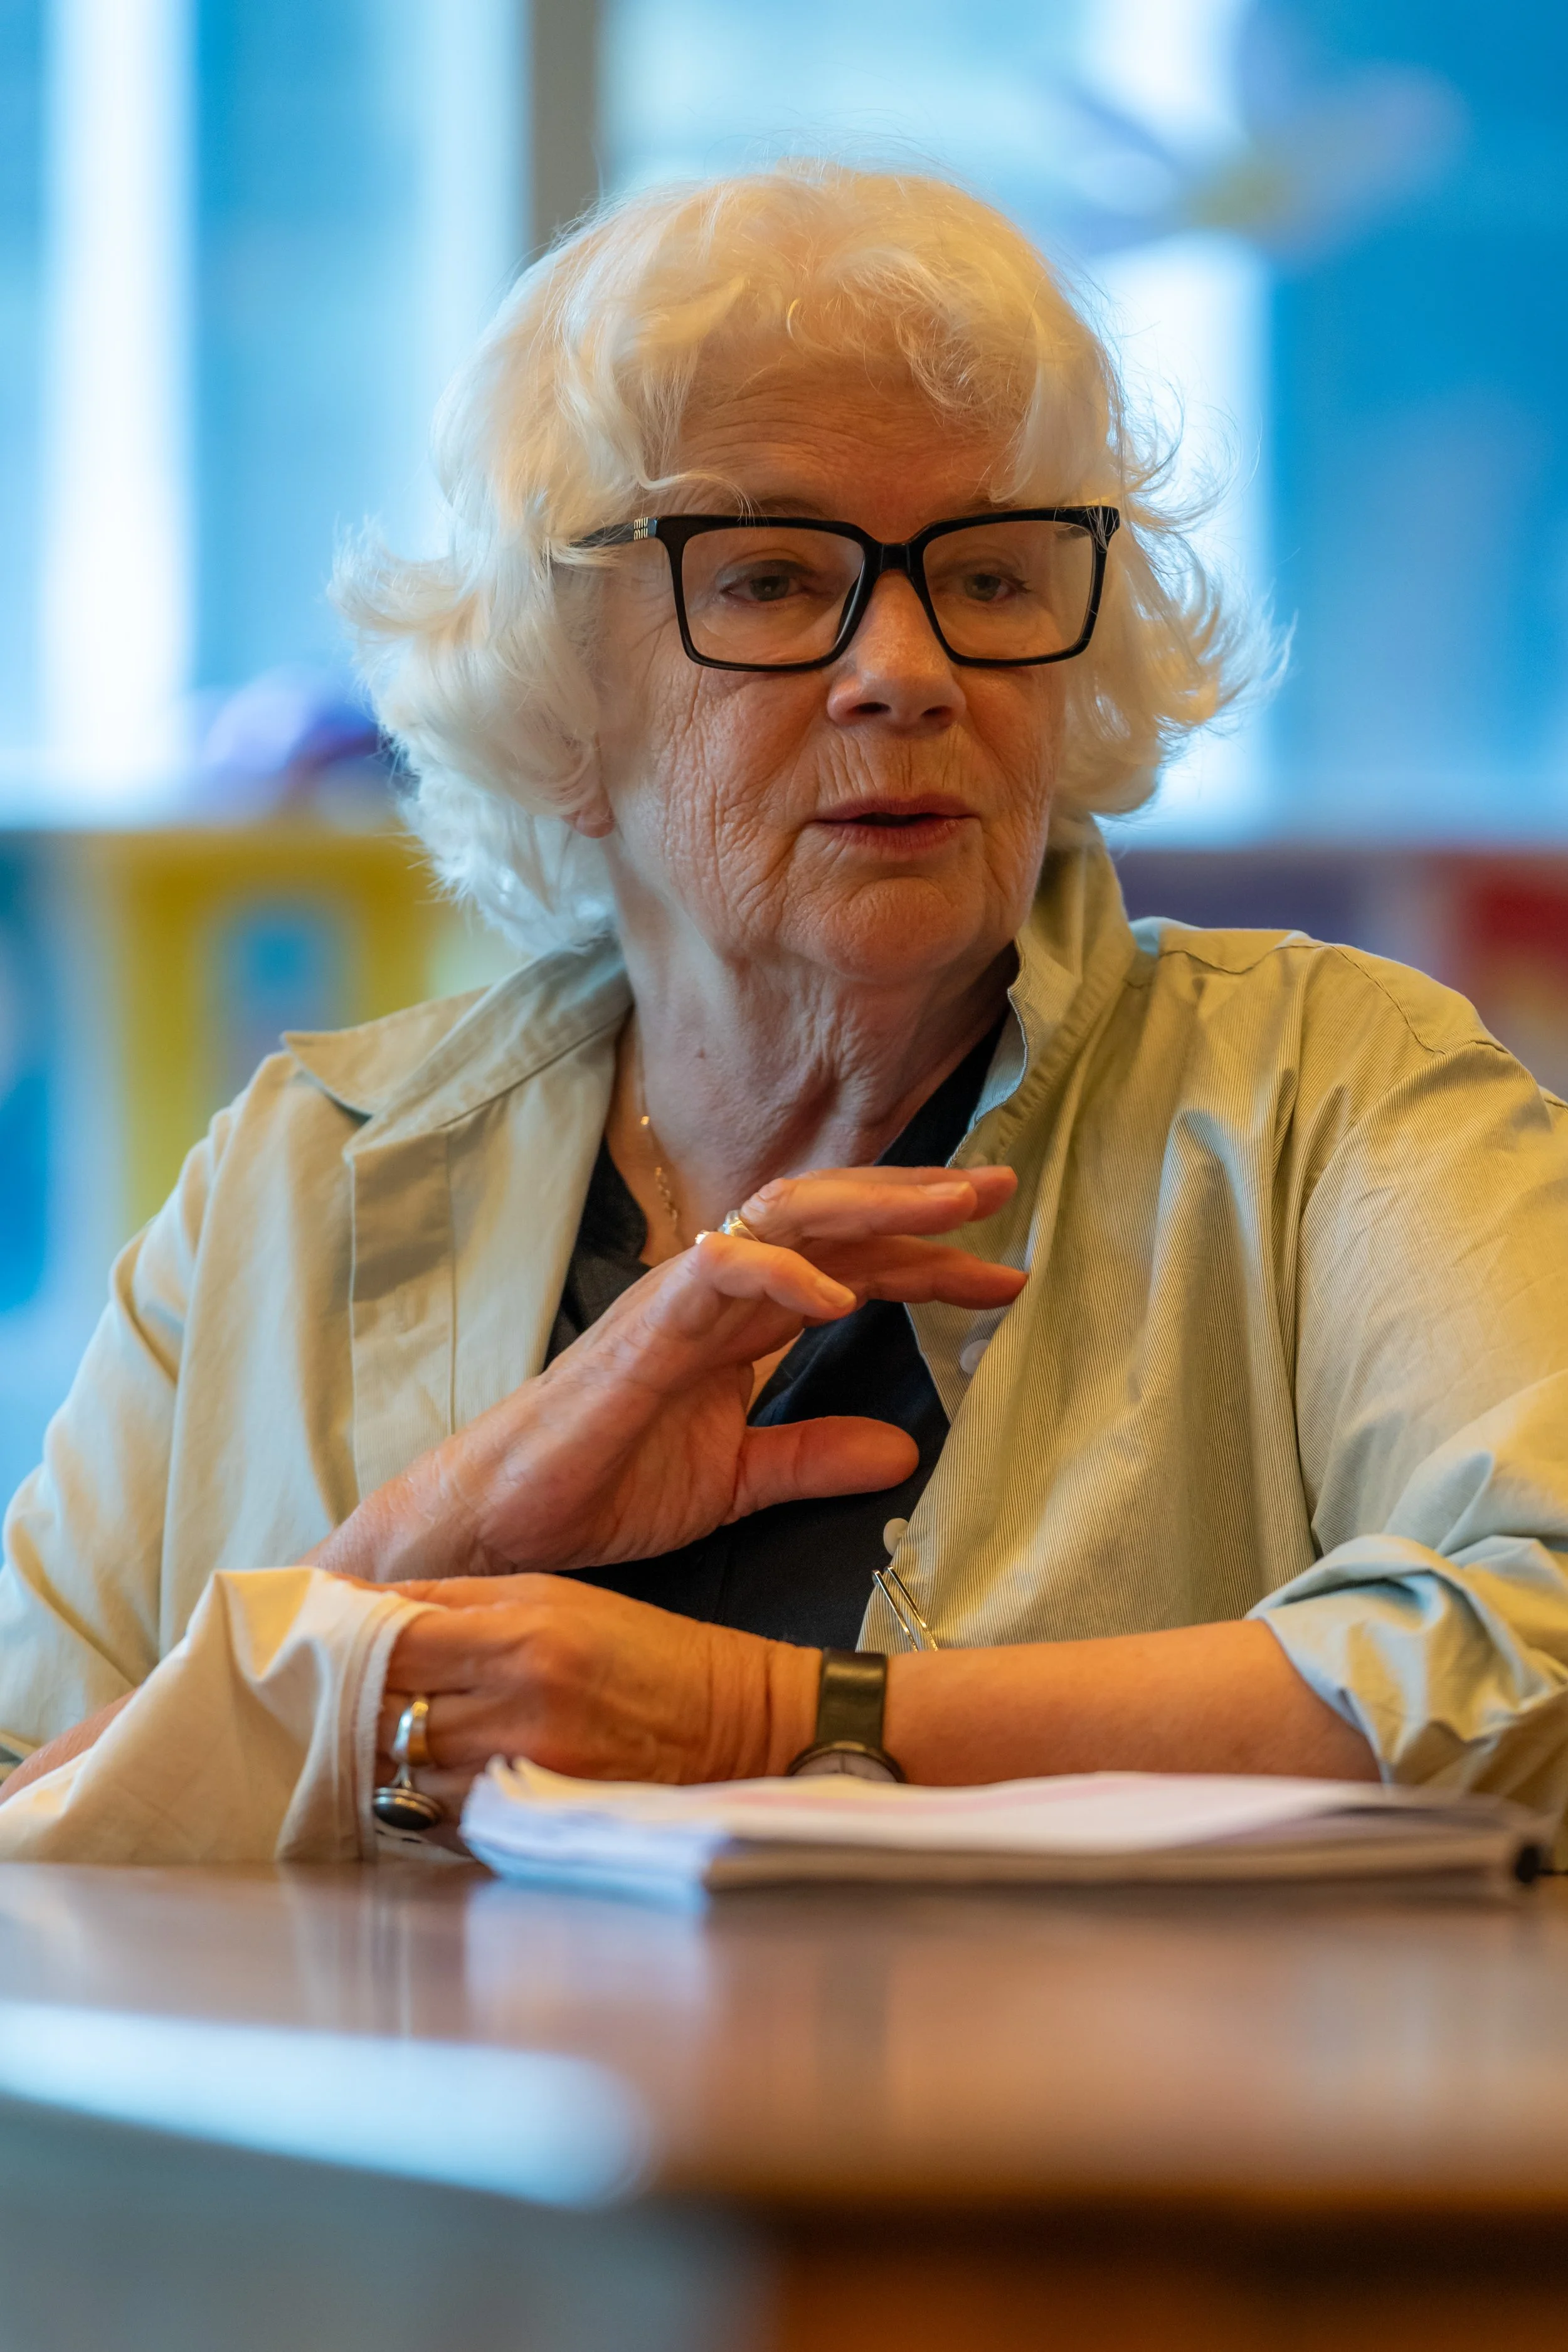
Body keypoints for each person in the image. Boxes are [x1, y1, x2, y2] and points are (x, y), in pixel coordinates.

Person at [2, 162, 1565, 1843]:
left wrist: (760, 1717)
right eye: (767, 576)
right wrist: (417, 1556)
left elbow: (1536, 1644)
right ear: (555, 691)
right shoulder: (303, 1172)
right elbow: (32, 1822)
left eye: (986, 575)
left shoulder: (1336, 1094)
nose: (904, 666)